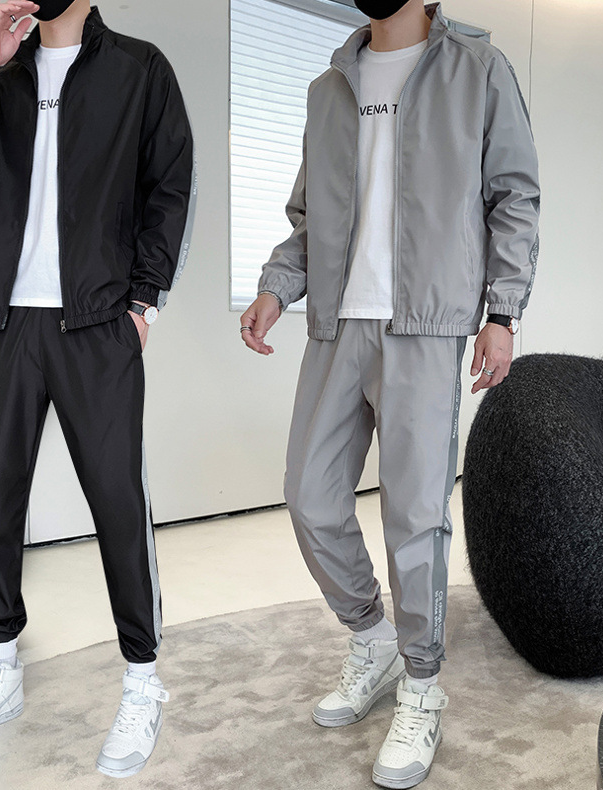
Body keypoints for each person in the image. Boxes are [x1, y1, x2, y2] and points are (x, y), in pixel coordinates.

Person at [240, 1, 538, 786]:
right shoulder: (329, 87)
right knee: (309, 496)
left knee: (414, 517)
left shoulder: (478, 70)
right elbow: (309, 217)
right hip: (337, 324)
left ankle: (422, 683)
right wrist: (277, 286)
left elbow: (513, 195)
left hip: (428, 324)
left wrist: (502, 313)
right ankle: (373, 636)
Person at [0, 0, 194, 778]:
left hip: (97, 324)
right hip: (5, 324)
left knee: (117, 502)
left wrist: (143, 303)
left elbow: (169, 187)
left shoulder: (139, 68)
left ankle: (142, 681)